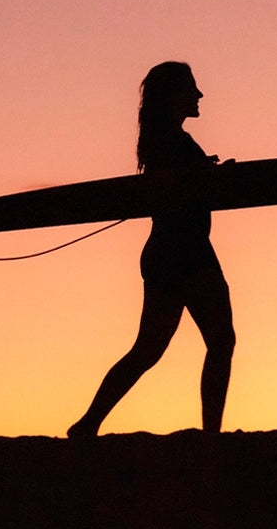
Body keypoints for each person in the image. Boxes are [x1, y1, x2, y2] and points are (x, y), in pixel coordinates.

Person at [67, 62, 236, 437]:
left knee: (148, 350)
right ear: (175, 94)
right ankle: (212, 437)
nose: (200, 95)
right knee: (221, 341)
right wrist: (208, 177)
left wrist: (204, 174)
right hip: (186, 252)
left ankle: (87, 424)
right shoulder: (171, 142)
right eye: (192, 88)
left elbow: (177, 181)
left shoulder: (165, 140)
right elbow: (174, 187)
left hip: (165, 253)